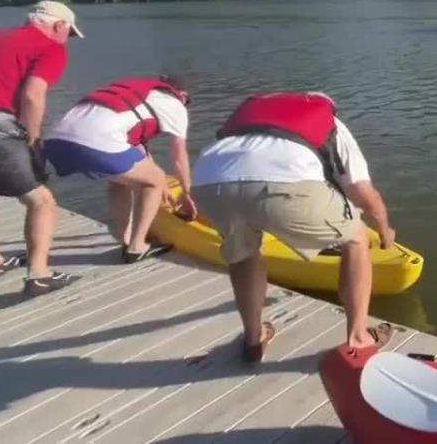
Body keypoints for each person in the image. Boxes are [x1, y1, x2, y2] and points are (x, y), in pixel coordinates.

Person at [190, 91, 395, 364]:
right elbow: (362, 191)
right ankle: (359, 338)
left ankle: (254, 339)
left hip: (208, 182)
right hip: (281, 185)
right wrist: (384, 227)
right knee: (356, 238)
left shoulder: (247, 118)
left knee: (244, 252)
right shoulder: (330, 122)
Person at [0, 1, 83, 296]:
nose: (69, 40)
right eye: (70, 33)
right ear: (59, 26)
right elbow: (33, 95)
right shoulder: (51, 47)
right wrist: (33, 140)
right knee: (41, 201)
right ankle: (39, 274)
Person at [44, 75, 197, 263]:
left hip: (54, 141)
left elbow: (138, 153)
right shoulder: (175, 105)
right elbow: (179, 157)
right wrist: (186, 193)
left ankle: (125, 238)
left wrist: (161, 182)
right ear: (181, 95)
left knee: (121, 180)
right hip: (94, 141)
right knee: (154, 180)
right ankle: (137, 246)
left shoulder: (137, 93)